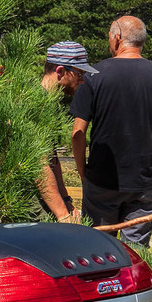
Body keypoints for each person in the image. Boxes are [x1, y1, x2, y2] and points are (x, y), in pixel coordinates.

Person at [69, 15, 152, 246]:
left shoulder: (93, 76)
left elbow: (78, 133)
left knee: (98, 251)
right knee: (135, 254)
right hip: (145, 182)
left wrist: (83, 173)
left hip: (101, 181)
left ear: (117, 38)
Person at [35, 40, 97, 221]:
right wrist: (62, 215)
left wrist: (67, 201)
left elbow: (52, 160)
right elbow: (39, 165)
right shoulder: (36, 104)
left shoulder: (49, 104)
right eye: (79, 73)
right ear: (60, 71)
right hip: (32, 209)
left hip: (47, 205)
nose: (83, 80)